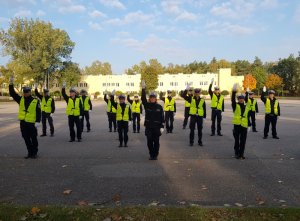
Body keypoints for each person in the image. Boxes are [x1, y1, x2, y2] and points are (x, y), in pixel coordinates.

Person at [9, 76, 41, 159]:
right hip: (23, 123)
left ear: (30, 92)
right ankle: (30, 153)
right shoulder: (20, 99)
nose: (25, 93)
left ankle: (34, 153)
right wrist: (11, 84)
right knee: (26, 138)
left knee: (33, 138)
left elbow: (38, 112)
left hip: (31, 123)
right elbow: (12, 93)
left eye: (27, 92)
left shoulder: (35, 100)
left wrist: (37, 122)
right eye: (24, 92)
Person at [141, 81, 164, 160]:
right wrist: (143, 89)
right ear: (149, 98)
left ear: (155, 98)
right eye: (151, 97)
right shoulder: (147, 105)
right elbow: (143, 99)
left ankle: (155, 155)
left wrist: (162, 126)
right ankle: (151, 154)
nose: (152, 99)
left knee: (156, 142)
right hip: (149, 127)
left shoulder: (159, 107)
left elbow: (162, 117)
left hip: (157, 127)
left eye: (153, 97)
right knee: (149, 142)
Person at [231, 84, 250, 159]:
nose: (241, 99)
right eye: (240, 98)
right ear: (238, 99)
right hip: (237, 125)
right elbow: (232, 100)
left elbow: (247, 116)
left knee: (243, 141)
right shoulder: (235, 105)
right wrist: (233, 92)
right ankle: (236, 152)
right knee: (237, 140)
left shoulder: (246, 107)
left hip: (244, 126)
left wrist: (249, 125)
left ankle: (241, 154)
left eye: (242, 98)